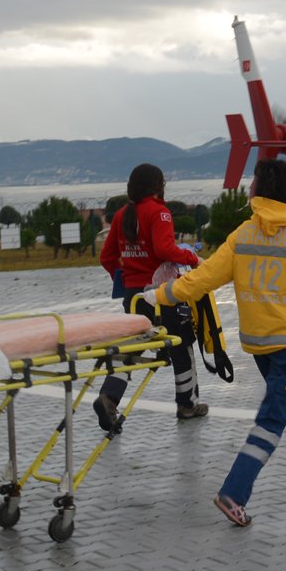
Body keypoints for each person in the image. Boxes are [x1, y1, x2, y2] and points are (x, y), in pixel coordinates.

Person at [154, 158, 286, 527]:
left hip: (260, 347)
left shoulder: (242, 235)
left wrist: (162, 295)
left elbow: (204, 277)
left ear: (257, 192)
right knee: (273, 418)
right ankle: (234, 492)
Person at [99, 163, 208, 419]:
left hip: (133, 296)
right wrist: (192, 258)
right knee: (182, 345)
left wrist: (124, 278)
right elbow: (164, 250)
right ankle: (187, 404)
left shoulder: (121, 215)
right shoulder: (160, 213)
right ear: (159, 186)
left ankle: (109, 396)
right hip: (162, 295)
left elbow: (107, 258)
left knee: (132, 348)